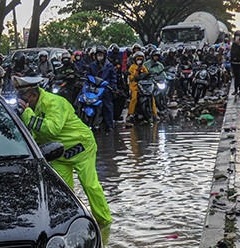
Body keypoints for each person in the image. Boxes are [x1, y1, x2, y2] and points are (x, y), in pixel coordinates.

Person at [12, 76, 112, 226]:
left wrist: (27, 115)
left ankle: (104, 222)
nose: (22, 102)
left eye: (24, 98)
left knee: (90, 185)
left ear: (34, 95)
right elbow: (36, 134)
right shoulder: (32, 107)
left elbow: (52, 129)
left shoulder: (53, 102)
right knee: (63, 191)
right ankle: (70, 222)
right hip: (60, 154)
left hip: (81, 146)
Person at [87, 45, 116, 132]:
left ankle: (110, 125)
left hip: (105, 89)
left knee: (108, 107)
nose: (100, 56)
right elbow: (88, 76)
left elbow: (113, 78)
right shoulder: (92, 65)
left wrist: (113, 87)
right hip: (94, 89)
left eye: (101, 54)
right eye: (98, 54)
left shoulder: (109, 66)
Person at [127, 51, 155, 121]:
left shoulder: (143, 67)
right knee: (134, 98)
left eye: (141, 59)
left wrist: (149, 75)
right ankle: (130, 114)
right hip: (135, 86)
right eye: (138, 59)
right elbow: (131, 77)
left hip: (143, 86)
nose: (139, 61)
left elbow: (147, 74)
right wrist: (136, 76)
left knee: (152, 97)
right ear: (135, 60)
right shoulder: (132, 67)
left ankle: (154, 114)